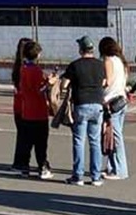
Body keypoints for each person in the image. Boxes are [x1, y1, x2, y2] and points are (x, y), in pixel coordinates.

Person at [59, 36, 107, 187]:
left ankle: (78, 175)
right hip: (97, 104)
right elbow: (105, 82)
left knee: (79, 140)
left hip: (81, 104)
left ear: (81, 49)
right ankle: (96, 176)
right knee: (95, 141)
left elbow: (64, 85)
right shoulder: (100, 65)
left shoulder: (75, 65)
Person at [12, 40, 50, 179]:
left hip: (26, 111)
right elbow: (39, 90)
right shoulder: (36, 70)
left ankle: (24, 167)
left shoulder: (22, 69)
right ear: (37, 55)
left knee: (26, 142)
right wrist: (48, 83)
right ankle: (42, 167)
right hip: (39, 112)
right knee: (41, 142)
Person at [99, 37, 130, 180]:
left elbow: (108, 80)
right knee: (114, 135)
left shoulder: (108, 60)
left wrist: (99, 82)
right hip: (121, 99)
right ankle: (112, 166)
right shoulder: (121, 61)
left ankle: (120, 170)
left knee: (115, 136)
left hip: (111, 100)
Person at [9, 37, 30, 174]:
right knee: (25, 136)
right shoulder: (25, 68)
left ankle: (20, 163)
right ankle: (20, 163)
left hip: (18, 106)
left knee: (23, 135)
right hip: (25, 106)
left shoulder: (18, 66)